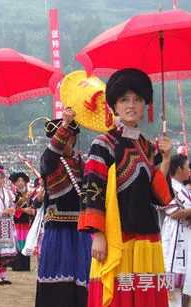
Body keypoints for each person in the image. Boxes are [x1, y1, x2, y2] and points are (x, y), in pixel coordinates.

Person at [79, 68, 173, 307]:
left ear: (145, 106)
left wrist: (166, 159)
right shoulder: (104, 144)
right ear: (114, 106)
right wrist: (98, 235)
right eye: (124, 100)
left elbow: (161, 197)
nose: (131, 105)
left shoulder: (147, 147)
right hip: (117, 237)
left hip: (147, 236)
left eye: (138, 99)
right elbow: (92, 190)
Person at [36, 108, 92, 307]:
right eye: (62, 138)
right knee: (58, 273)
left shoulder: (81, 164)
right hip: (58, 229)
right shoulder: (49, 161)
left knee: (82, 274)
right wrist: (65, 124)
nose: (66, 143)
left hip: (81, 229)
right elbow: (52, 152)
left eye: (70, 139)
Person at [161, 154, 191, 307]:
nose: (189, 171)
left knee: (185, 292)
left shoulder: (184, 189)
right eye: (187, 167)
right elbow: (174, 213)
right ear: (179, 169)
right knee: (173, 294)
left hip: (186, 244)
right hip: (174, 244)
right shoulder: (170, 187)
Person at [9, 171, 35, 271]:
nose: (20, 182)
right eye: (18, 180)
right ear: (15, 183)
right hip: (16, 222)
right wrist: (24, 210)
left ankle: (25, 265)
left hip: (26, 223)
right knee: (17, 242)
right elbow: (11, 208)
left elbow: (33, 206)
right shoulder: (12, 194)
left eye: (22, 180)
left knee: (25, 242)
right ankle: (17, 265)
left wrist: (32, 211)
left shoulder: (28, 195)